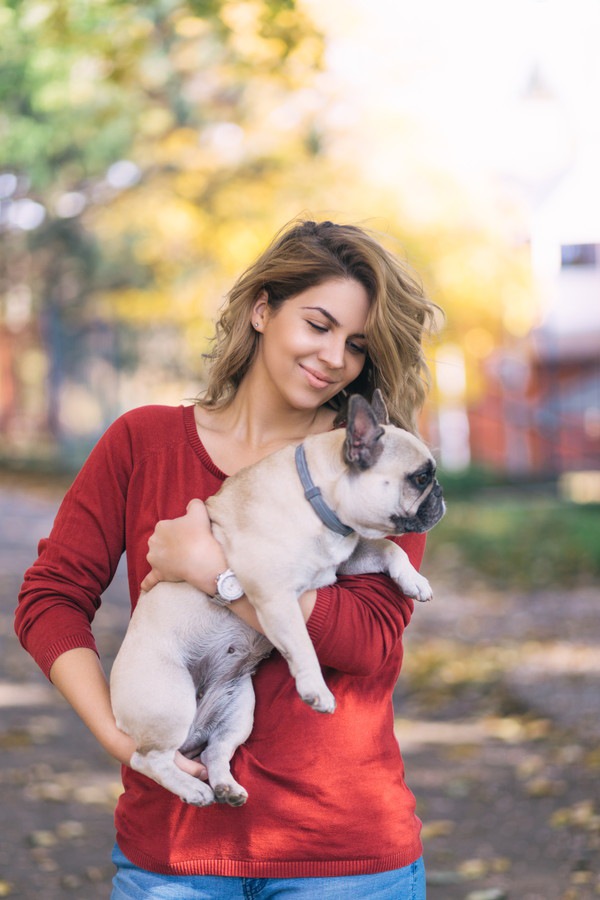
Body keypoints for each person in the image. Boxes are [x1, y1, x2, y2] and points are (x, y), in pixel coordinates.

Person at [16, 218, 439, 899]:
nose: (335, 357)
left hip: (344, 859)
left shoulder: (377, 471)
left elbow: (365, 642)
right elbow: (50, 599)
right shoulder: (142, 442)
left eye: (357, 345)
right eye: (318, 324)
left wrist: (213, 569)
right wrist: (122, 741)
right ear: (262, 308)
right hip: (175, 854)